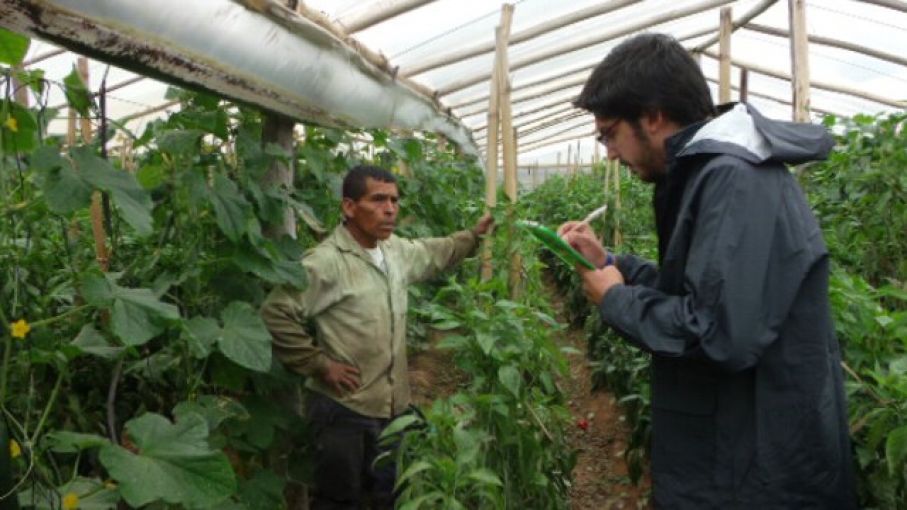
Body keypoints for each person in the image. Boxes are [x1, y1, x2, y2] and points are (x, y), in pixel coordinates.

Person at [559, 33, 857, 508]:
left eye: (609, 133)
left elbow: (718, 332)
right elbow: (702, 292)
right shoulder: (707, 173)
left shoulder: (732, 180)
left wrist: (618, 299)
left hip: (758, 474)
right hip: (737, 452)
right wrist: (612, 265)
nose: (610, 153)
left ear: (653, 116)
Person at [260, 164, 493, 509]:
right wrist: (319, 364)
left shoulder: (393, 251)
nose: (390, 209)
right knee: (340, 500)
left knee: (388, 496)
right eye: (378, 200)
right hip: (345, 409)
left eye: (395, 201)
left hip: (393, 406)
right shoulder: (326, 262)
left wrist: (474, 236)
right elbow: (275, 312)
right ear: (349, 207)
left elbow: (435, 252)